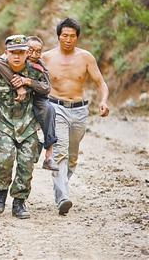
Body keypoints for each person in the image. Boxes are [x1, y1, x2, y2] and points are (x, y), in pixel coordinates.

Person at [0, 35, 50, 219]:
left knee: (26, 165)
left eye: (21, 53)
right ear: (5, 53)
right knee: (4, 160)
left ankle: (19, 202)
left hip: (28, 124)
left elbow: (47, 88)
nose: (17, 56)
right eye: (12, 53)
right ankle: (1, 190)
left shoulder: (35, 70)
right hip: (4, 123)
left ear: (27, 53)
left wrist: (28, 83)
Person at [42, 18, 109, 216]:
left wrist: (104, 101)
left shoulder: (86, 57)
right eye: (65, 36)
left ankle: (60, 189)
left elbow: (101, 82)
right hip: (55, 107)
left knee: (72, 158)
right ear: (58, 36)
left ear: (77, 37)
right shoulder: (46, 57)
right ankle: (63, 197)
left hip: (79, 110)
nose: (68, 39)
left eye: (72, 36)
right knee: (60, 152)